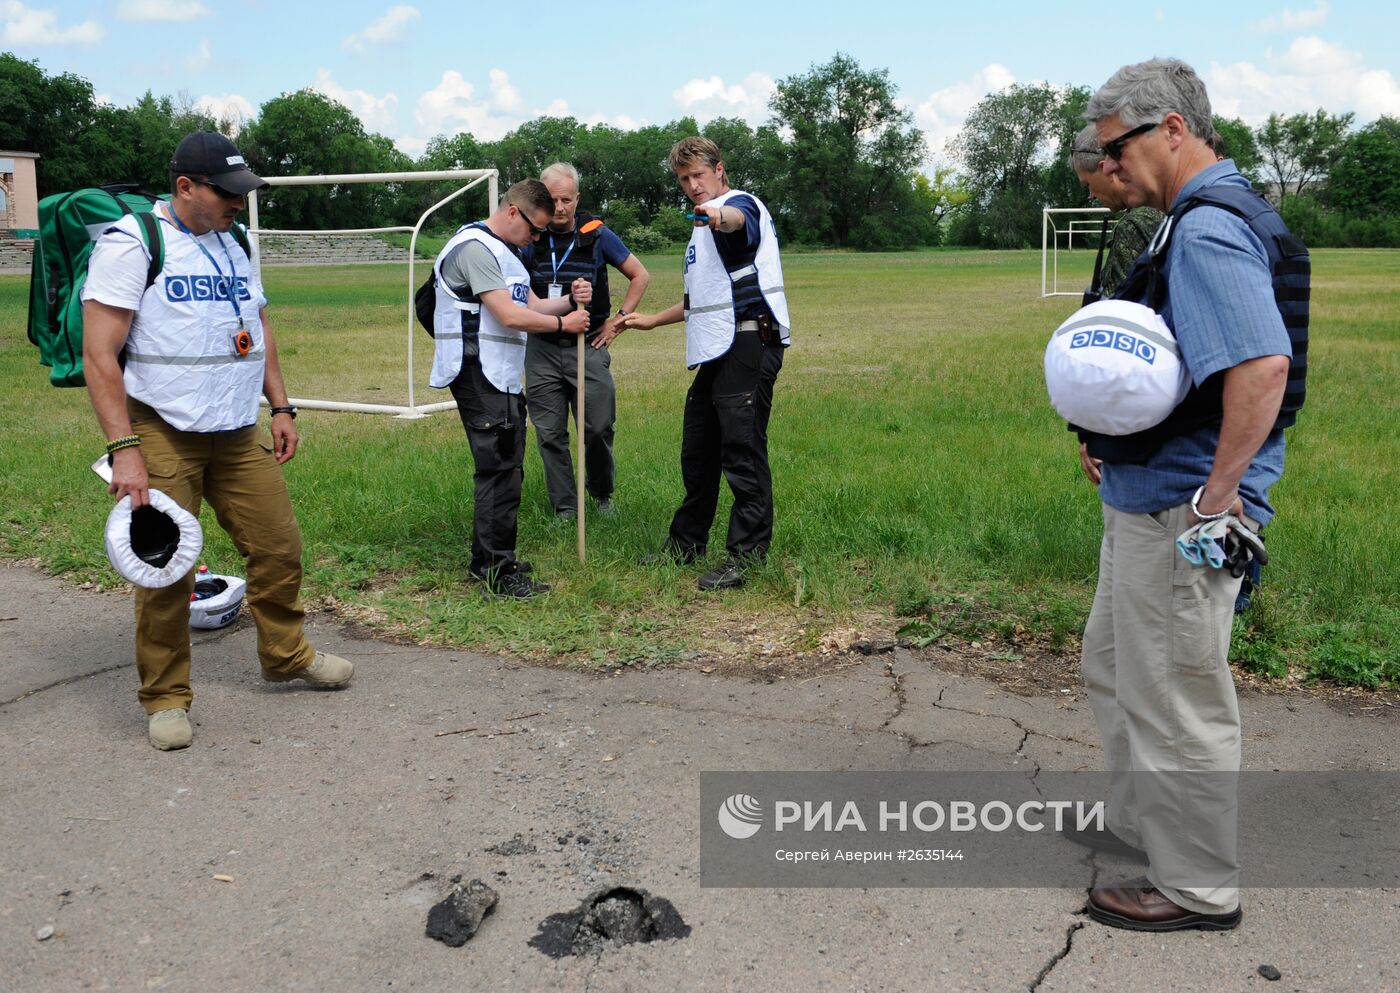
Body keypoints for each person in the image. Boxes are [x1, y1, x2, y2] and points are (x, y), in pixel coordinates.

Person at [1069, 59, 1304, 932]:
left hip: (1181, 506)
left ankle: (1197, 884)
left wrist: (1217, 498)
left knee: (1175, 696)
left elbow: (1261, 365)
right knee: (1116, 663)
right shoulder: (1198, 218)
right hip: (1150, 490)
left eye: (1117, 150)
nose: (1110, 168)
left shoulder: (1206, 229)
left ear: (1172, 129)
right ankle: (1143, 825)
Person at [81, 130, 355, 752]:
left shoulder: (237, 240)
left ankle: (286, 657)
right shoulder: (133, 245)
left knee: (279, 547)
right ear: (185, 188)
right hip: (161, 428)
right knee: (165, 569)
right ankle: (166, 698)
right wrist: (125, 446)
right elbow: (98, 353)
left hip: (236, 429)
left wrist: (280, 405)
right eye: (226, 192)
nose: (238, 202)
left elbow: (256, 325)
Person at [620, 137, 791, 590]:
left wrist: (719, 215)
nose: (693, 186)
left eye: (699, 175)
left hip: (749, 343)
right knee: (698, 451)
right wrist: (653, 320)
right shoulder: (701, 226)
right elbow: (705, 299)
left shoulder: (739, 204)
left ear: (719, 169)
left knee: (742, 452)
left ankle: (747, 559)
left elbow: (738, 221)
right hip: (717, 348)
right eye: (684, 179)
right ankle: (686, 545)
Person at [427, 180, 591, 599]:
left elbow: (531, 306)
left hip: (498, 374)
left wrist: (570, 301)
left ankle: (489, 560)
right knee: (500, 471)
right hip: (478, 372)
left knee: (506, 466)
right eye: (534, 229)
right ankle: (497, 572)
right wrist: (563, 325)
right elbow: (509, 316)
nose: (537, 238)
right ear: (514, 211)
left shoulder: (508, 252)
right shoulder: (475, 248)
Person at [523, 162, 650, 520]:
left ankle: (602, 493)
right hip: (542, 347)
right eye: (552, 200)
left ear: (577, 198)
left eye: (566, 200)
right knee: (549, 433)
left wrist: (617, 321)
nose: (559, 208)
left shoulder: (597, 234)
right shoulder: (531, 236)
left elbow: (640, 275)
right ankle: (565, 507)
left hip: (587, 345)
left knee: (596, 428)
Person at [1070, 123, 1164, 301]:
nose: (1091, 195)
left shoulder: (1135, 224)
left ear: (1105, 168)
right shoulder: (1165, 205)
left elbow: (1121, 310)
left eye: (1088, 184)